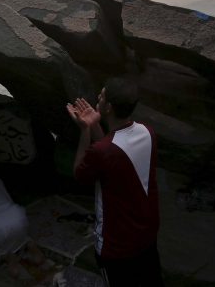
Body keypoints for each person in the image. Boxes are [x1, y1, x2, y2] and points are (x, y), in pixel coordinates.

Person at [66, 76, 165, 287]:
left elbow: (80, 174)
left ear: (108, 107)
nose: (98, 98)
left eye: (101, 96)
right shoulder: (147, 132)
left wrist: (84, 129)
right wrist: (94, 124)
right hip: (145, 235)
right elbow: (113, 147)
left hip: (116, 247)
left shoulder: (103, 152)